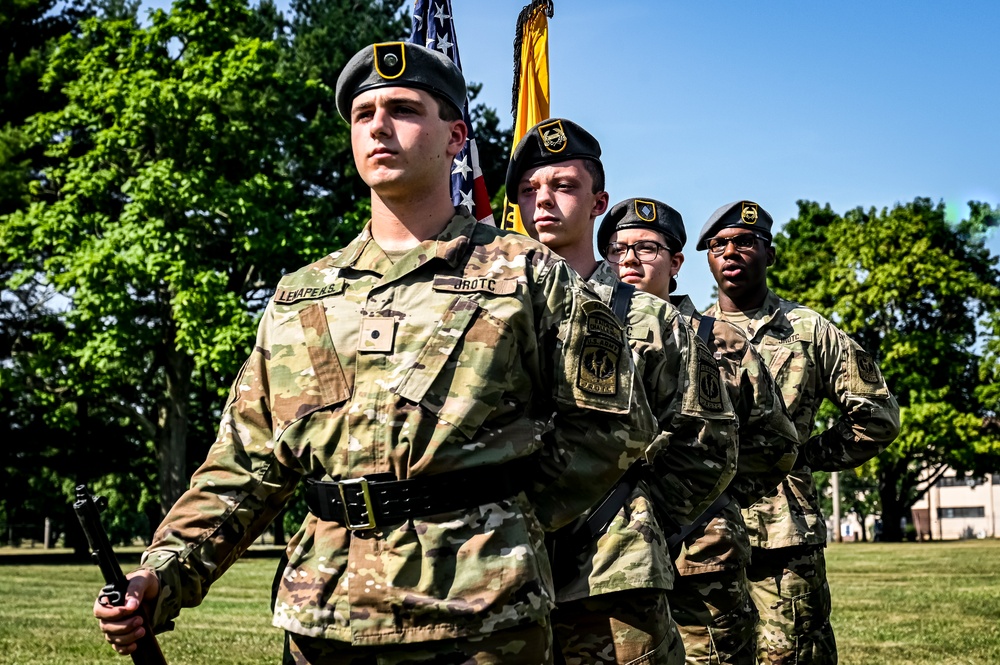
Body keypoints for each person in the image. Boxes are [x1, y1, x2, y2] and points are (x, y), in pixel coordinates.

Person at [93, 42, 658, 665]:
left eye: (404, 109)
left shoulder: (529, 274)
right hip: (324, 620)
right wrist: (163, 575)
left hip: (481, 620)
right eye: (364, 115)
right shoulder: (303, 294)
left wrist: (502, 521)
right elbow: (247, 463)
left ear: (455, 138)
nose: (379, 127)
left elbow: (610, 425)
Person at [508, 118, 740, 665]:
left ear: (597, 202)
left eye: (563, 187)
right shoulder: (485, 309)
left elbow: (709, 444)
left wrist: (641, 518)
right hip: (499, 568)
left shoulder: (653, 319)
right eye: (528, 190)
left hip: (612, 574)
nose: (543, 201)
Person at [597, 197, 799, 664]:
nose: (629, 259)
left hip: (700, 549)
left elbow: (775, 441)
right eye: (617, 249)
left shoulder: (716, 337)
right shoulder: (591, 333)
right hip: (611, 552)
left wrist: (717, 495)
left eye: (646, 248)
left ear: (676, 262)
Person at [698, 200, 901, 664]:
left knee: (792, 654)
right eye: (719, 244)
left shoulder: (807, 330)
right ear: (707, 259)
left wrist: (806, 456)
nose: (731, 252)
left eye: (746, 242)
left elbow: (878, 415)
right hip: (703, 528)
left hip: (782, 533)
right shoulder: (690, 331)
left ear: (769, 254)